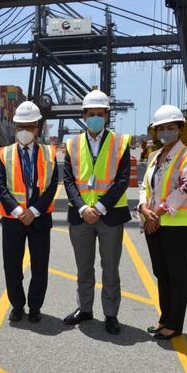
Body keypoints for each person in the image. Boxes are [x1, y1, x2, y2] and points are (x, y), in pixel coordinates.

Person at [62, 90, 131, 335]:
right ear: (83, 116)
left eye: (99, 114)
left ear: (107, 116)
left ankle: (111, 314)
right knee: (84, 268)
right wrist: (82, 207)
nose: (95, 118)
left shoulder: (121, 142)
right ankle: (85, 309)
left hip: (109, 215)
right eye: (90, 114)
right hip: (80, 216)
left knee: (110, 268)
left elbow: (122, 180)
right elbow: (68, 180)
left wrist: (99, 208)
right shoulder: (72, 144)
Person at [138, 105, 187, 340]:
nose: (166, 132)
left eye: (171, 128)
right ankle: (164, 318)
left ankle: (175, 324)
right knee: (161, 273)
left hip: (176, 224)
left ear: (180, 129)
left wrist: (156, 214)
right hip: (152, 221)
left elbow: (183, 189)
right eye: (161, 128)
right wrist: (144, 208)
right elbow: (145, 186)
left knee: (176, 274)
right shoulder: (154, 156)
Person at [0, 101, 58, 323]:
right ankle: (18, 305)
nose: (25, 131)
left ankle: (35, 307)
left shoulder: (50, 153)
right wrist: (19, 210)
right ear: (15, 127)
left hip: (39, 218)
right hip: (13, 219)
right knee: (12, 266)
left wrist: (33, 210)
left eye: (30, 127)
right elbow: (0, 186)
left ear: (37, 128)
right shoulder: (5, 154)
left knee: (40, 267)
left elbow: (52, 186)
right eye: (21, 126)